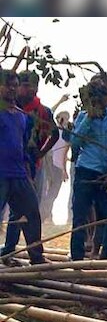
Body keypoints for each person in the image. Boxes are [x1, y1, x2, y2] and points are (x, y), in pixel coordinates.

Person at [65, 78, 107, 260]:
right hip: (85, 170)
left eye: (103, 96)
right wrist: (89, 118)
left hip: (105, 174)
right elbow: (75, 141)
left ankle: (105, 255)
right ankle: (77, 257)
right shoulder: (83, 116)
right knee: (80, 216)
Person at [0, 69, 45, 264]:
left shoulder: (22, 116)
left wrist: (28, 171)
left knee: (32, 212)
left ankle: (36, 257)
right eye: (7, 84)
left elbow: (23, 145)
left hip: (18, 173)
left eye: (15, 85)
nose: (12, 88)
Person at [15, 72, 58, 219]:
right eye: (26, 86)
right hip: (9, 163)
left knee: (30, 207)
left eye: (34, 86)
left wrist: (41, 152)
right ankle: (10, 242)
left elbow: (55, 134)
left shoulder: (43, 111)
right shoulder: (10, 107)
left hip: (33, 162)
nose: (31, 89)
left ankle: (19, 242)